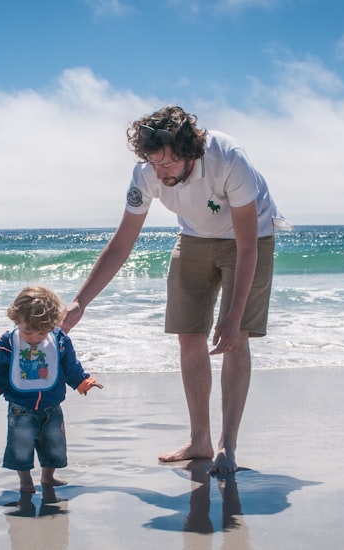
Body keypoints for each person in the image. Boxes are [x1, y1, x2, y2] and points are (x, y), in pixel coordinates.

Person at [61, 105, 288, 475]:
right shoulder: (146, 174)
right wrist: (80, 301)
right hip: (195, 237)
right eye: (153, 163)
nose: (159, 172)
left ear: (190, 153)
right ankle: (199, 439)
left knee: (236, 338)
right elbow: (121, 244)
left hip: (251, 237)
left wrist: (233, 318)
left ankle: (226, 447)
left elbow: (248, 247)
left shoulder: (228, 159)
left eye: (166, 164)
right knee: (188, 335)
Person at [0, 286, 102, 493]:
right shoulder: (8, 343)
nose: (35, 338)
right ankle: (25, 481)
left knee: (54, 444)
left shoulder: (59, 341)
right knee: (21, 445)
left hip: (52, 406)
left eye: (42, 333)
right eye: (28, 331)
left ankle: (48, 477)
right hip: (20, 407)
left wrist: (81, 381)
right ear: (16, 319)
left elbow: (69, 366)